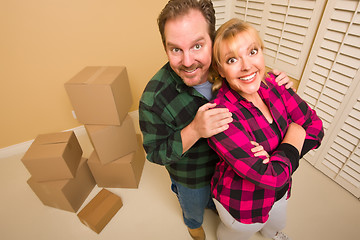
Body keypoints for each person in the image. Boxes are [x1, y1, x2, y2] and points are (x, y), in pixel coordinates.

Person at [139, 1, 293, 239]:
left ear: (212, 39)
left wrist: (277, 88)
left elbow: (257, 79)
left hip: (236, 176)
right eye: (176, 49)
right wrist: (194, 130)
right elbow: (155, 153)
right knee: (194, 210)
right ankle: (193, 226)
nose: (188, 61)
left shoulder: (232, 66)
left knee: (223, 210)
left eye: (197, 46)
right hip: (194, 178)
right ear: (165, 47)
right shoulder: (153, 98)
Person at [207, 18, 324, 240]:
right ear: (220, 69)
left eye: (252, 52)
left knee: (277, 223)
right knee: (237, 234)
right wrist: (296, 132)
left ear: (262, 52)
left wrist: (276, 157)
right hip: (242, 205)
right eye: (232, 59)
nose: (247, 66)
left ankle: (272, 234)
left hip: (280, 193)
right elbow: (271, 176)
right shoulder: (220, 115)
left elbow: (316, 127)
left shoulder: (276, 84)